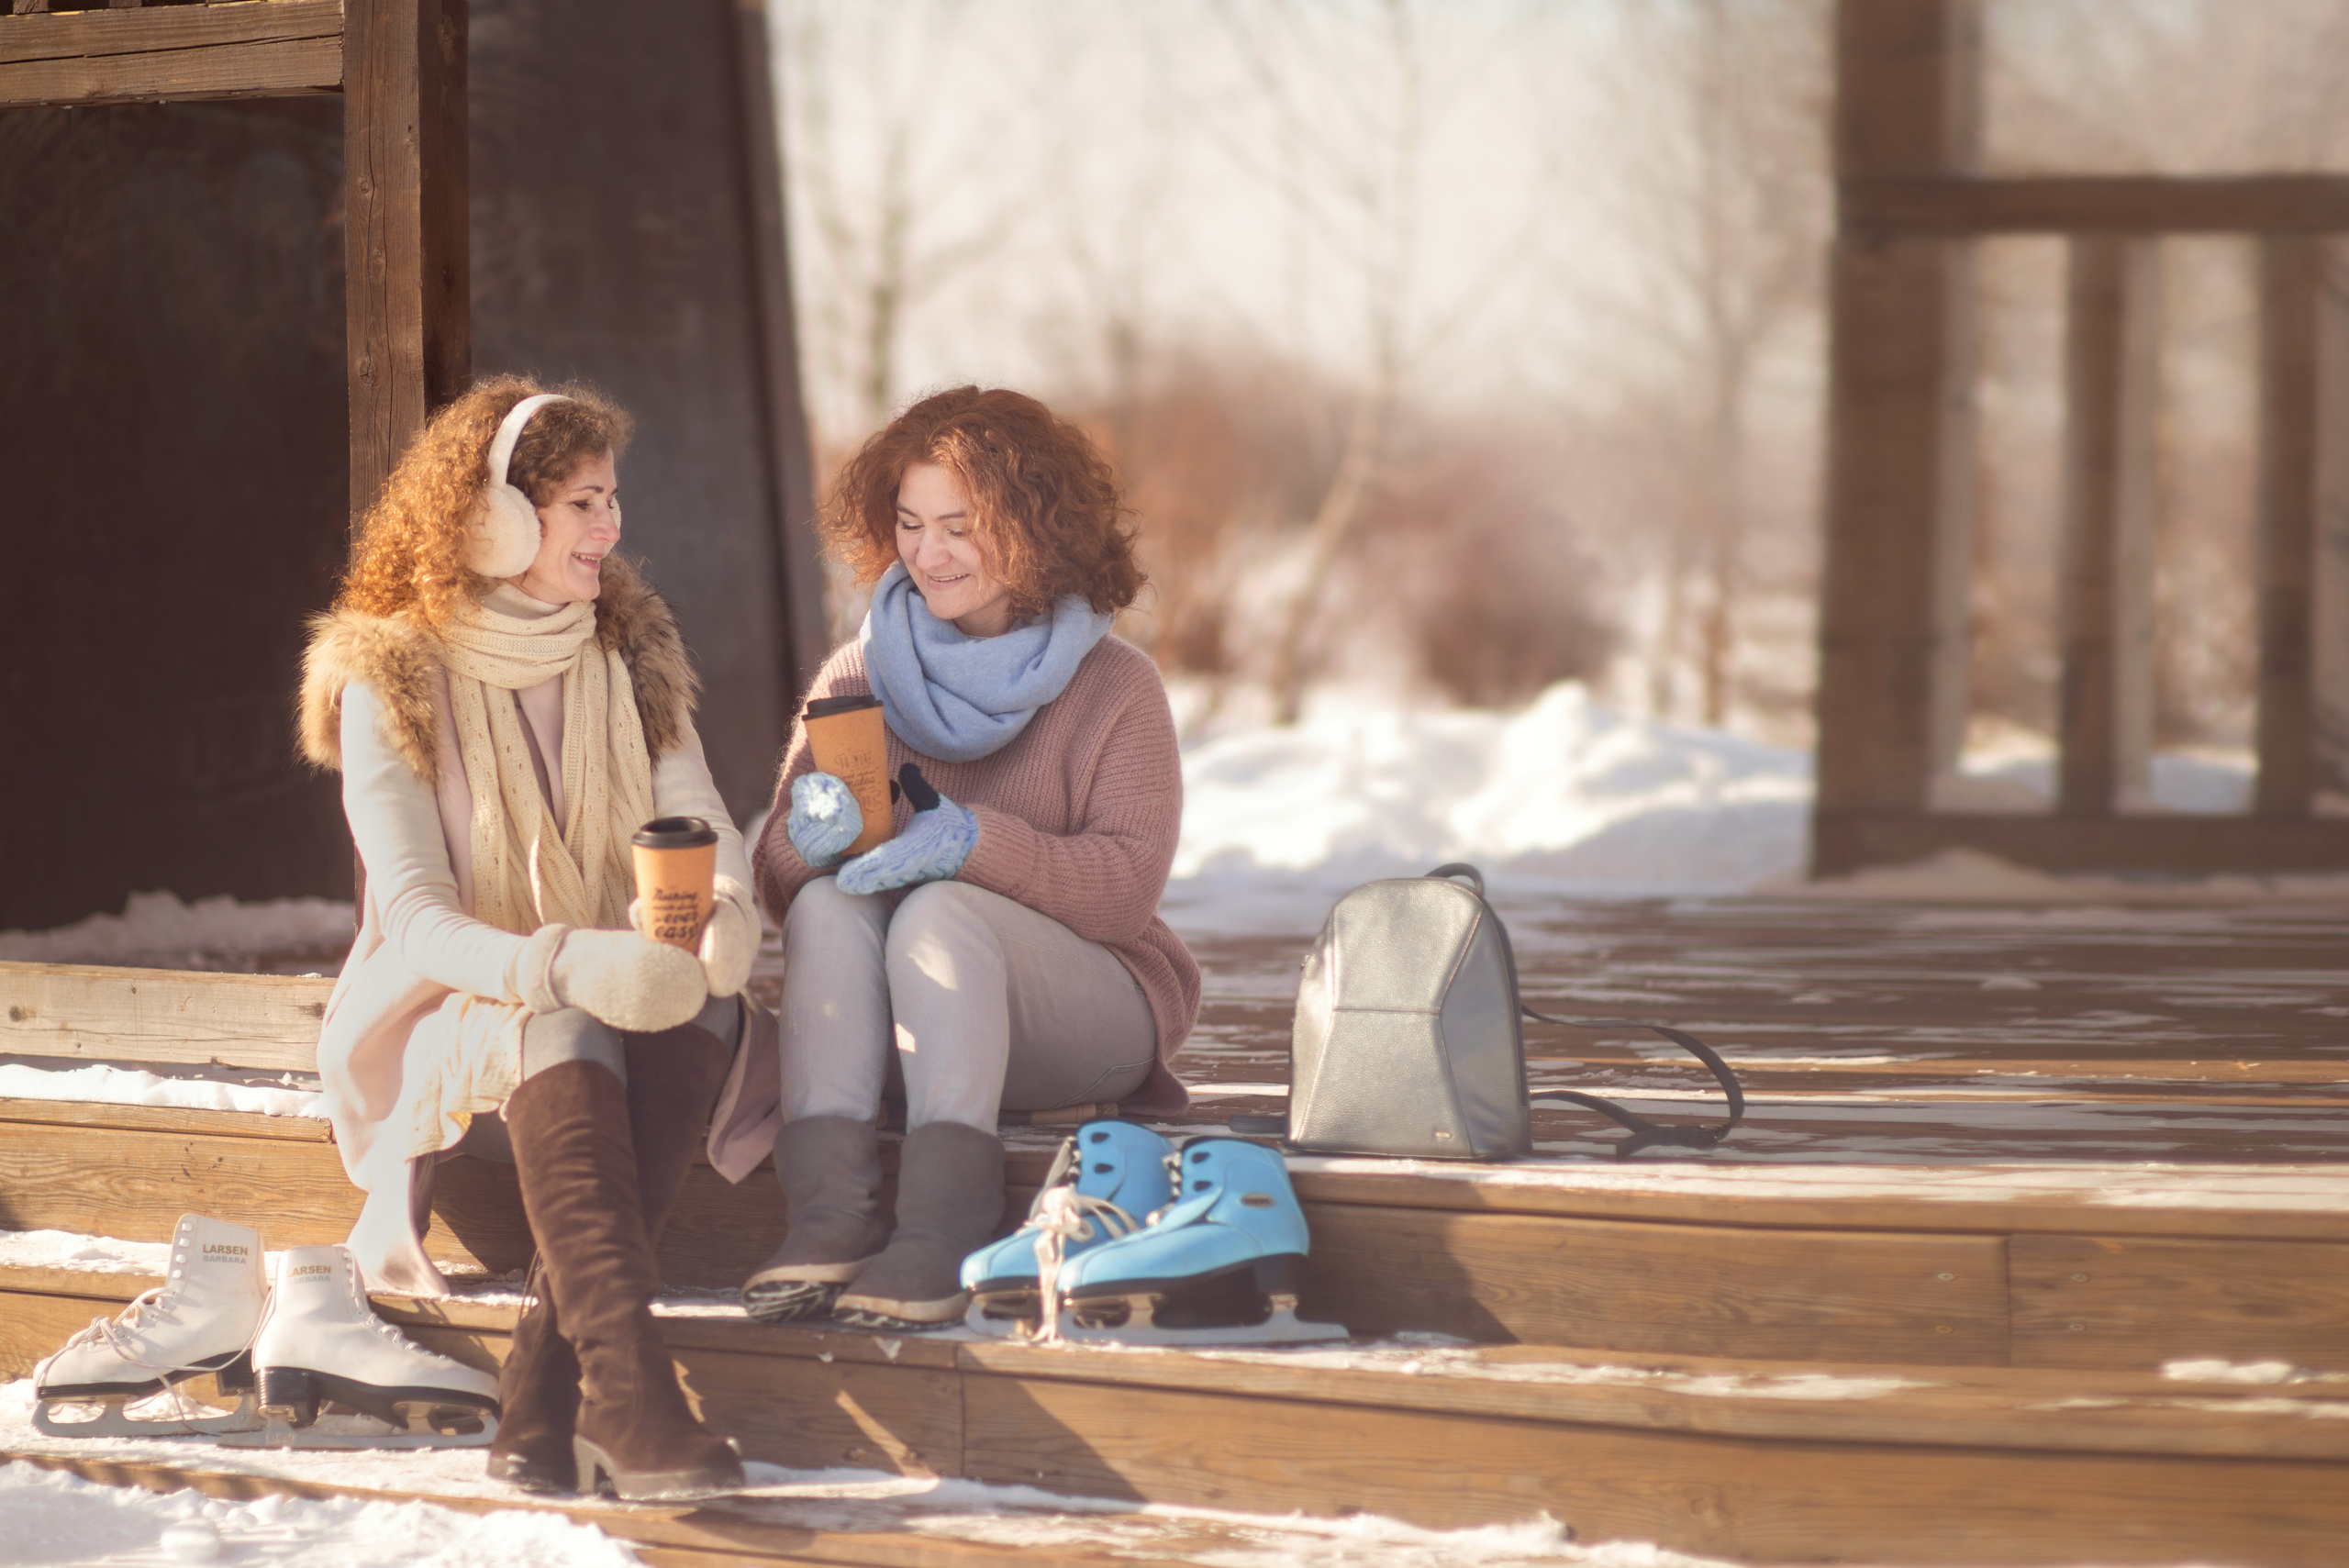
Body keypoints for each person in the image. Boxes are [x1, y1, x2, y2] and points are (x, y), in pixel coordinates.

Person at [298, 376, 759, 1499]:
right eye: (584, 504)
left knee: (710, 1003)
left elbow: (700, 819)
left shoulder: (630, 652)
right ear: (495, 518)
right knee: (561, 1016)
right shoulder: (391, 674)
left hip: (618, 992)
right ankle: (631, 1385)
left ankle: (552, 1398)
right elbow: (412, 917)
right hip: (445, 1003)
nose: (611, 529)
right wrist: (563, 959)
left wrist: (727, 917)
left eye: (613, 501)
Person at [740, 385, 1200, 1331]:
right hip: (896, 1031)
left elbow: (1121, 893)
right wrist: (802, 841)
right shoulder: (860, 671)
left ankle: (945, 1223)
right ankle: (828, 1216)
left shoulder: (1115, 686)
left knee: (938, 907)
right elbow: (779, 874)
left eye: (960, 525)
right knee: (833, 907)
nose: (928, 552)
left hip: (1077, 1011)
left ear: (1035, 529)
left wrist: (974, 845)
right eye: (910, 524)